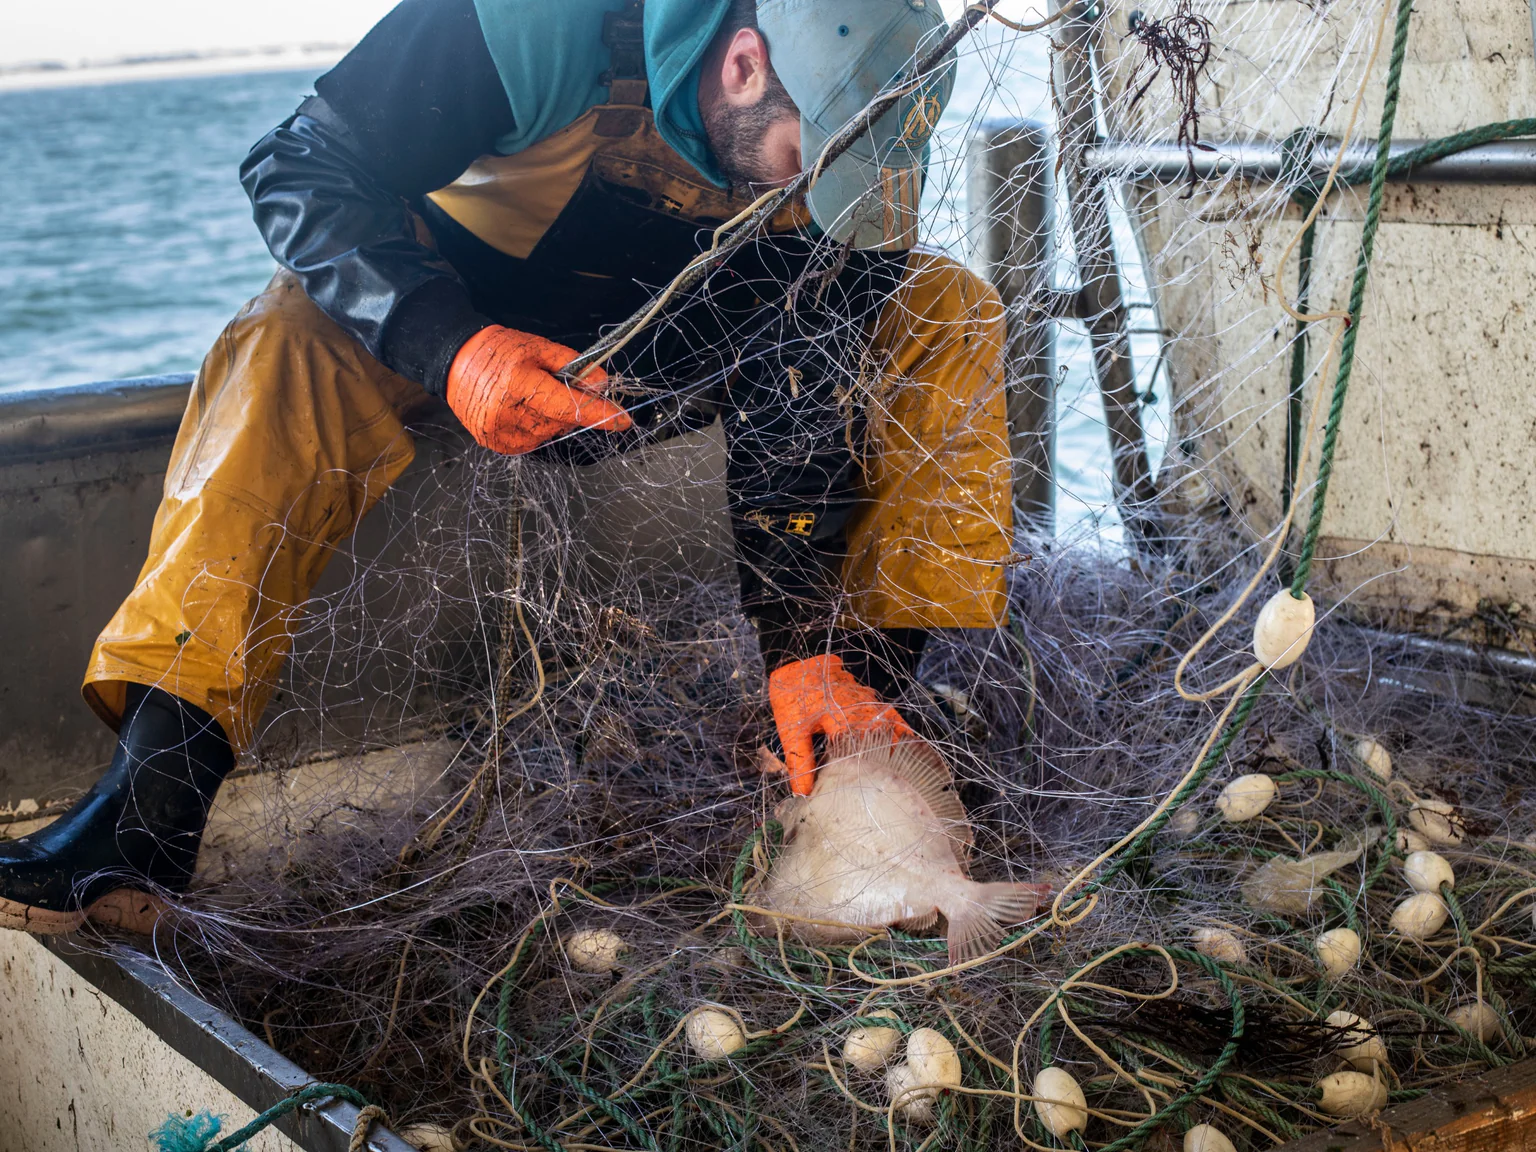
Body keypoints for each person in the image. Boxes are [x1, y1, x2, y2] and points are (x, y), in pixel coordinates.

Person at [0, 0, 1012, 935]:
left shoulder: (858, 139)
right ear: (744, 64)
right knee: (285, 339)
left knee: (947, 309)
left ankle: (845, 745)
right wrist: (454, 349)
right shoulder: (536, 18)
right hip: (460, 330)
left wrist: (798, 638)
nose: (814, 194)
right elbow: (298, 168)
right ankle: (149, 813)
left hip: (671, 356)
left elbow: (812, 359)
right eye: (805, 163)